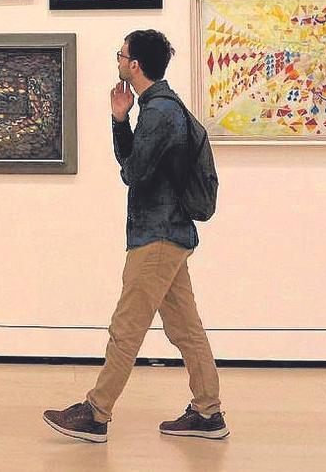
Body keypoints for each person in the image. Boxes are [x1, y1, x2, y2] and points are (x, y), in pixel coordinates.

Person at [43, 30, 227, 443]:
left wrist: (120, 124)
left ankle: (96, 413)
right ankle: (208, 412)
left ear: (135, 65)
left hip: (157, 237)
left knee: (126, 328)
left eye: (121, 55)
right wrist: (121, 118)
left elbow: (132, 172)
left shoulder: (160, 113)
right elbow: (137, 166)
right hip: (171, 234)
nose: (119, 60)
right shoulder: (162, 106)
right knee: (186, 329)